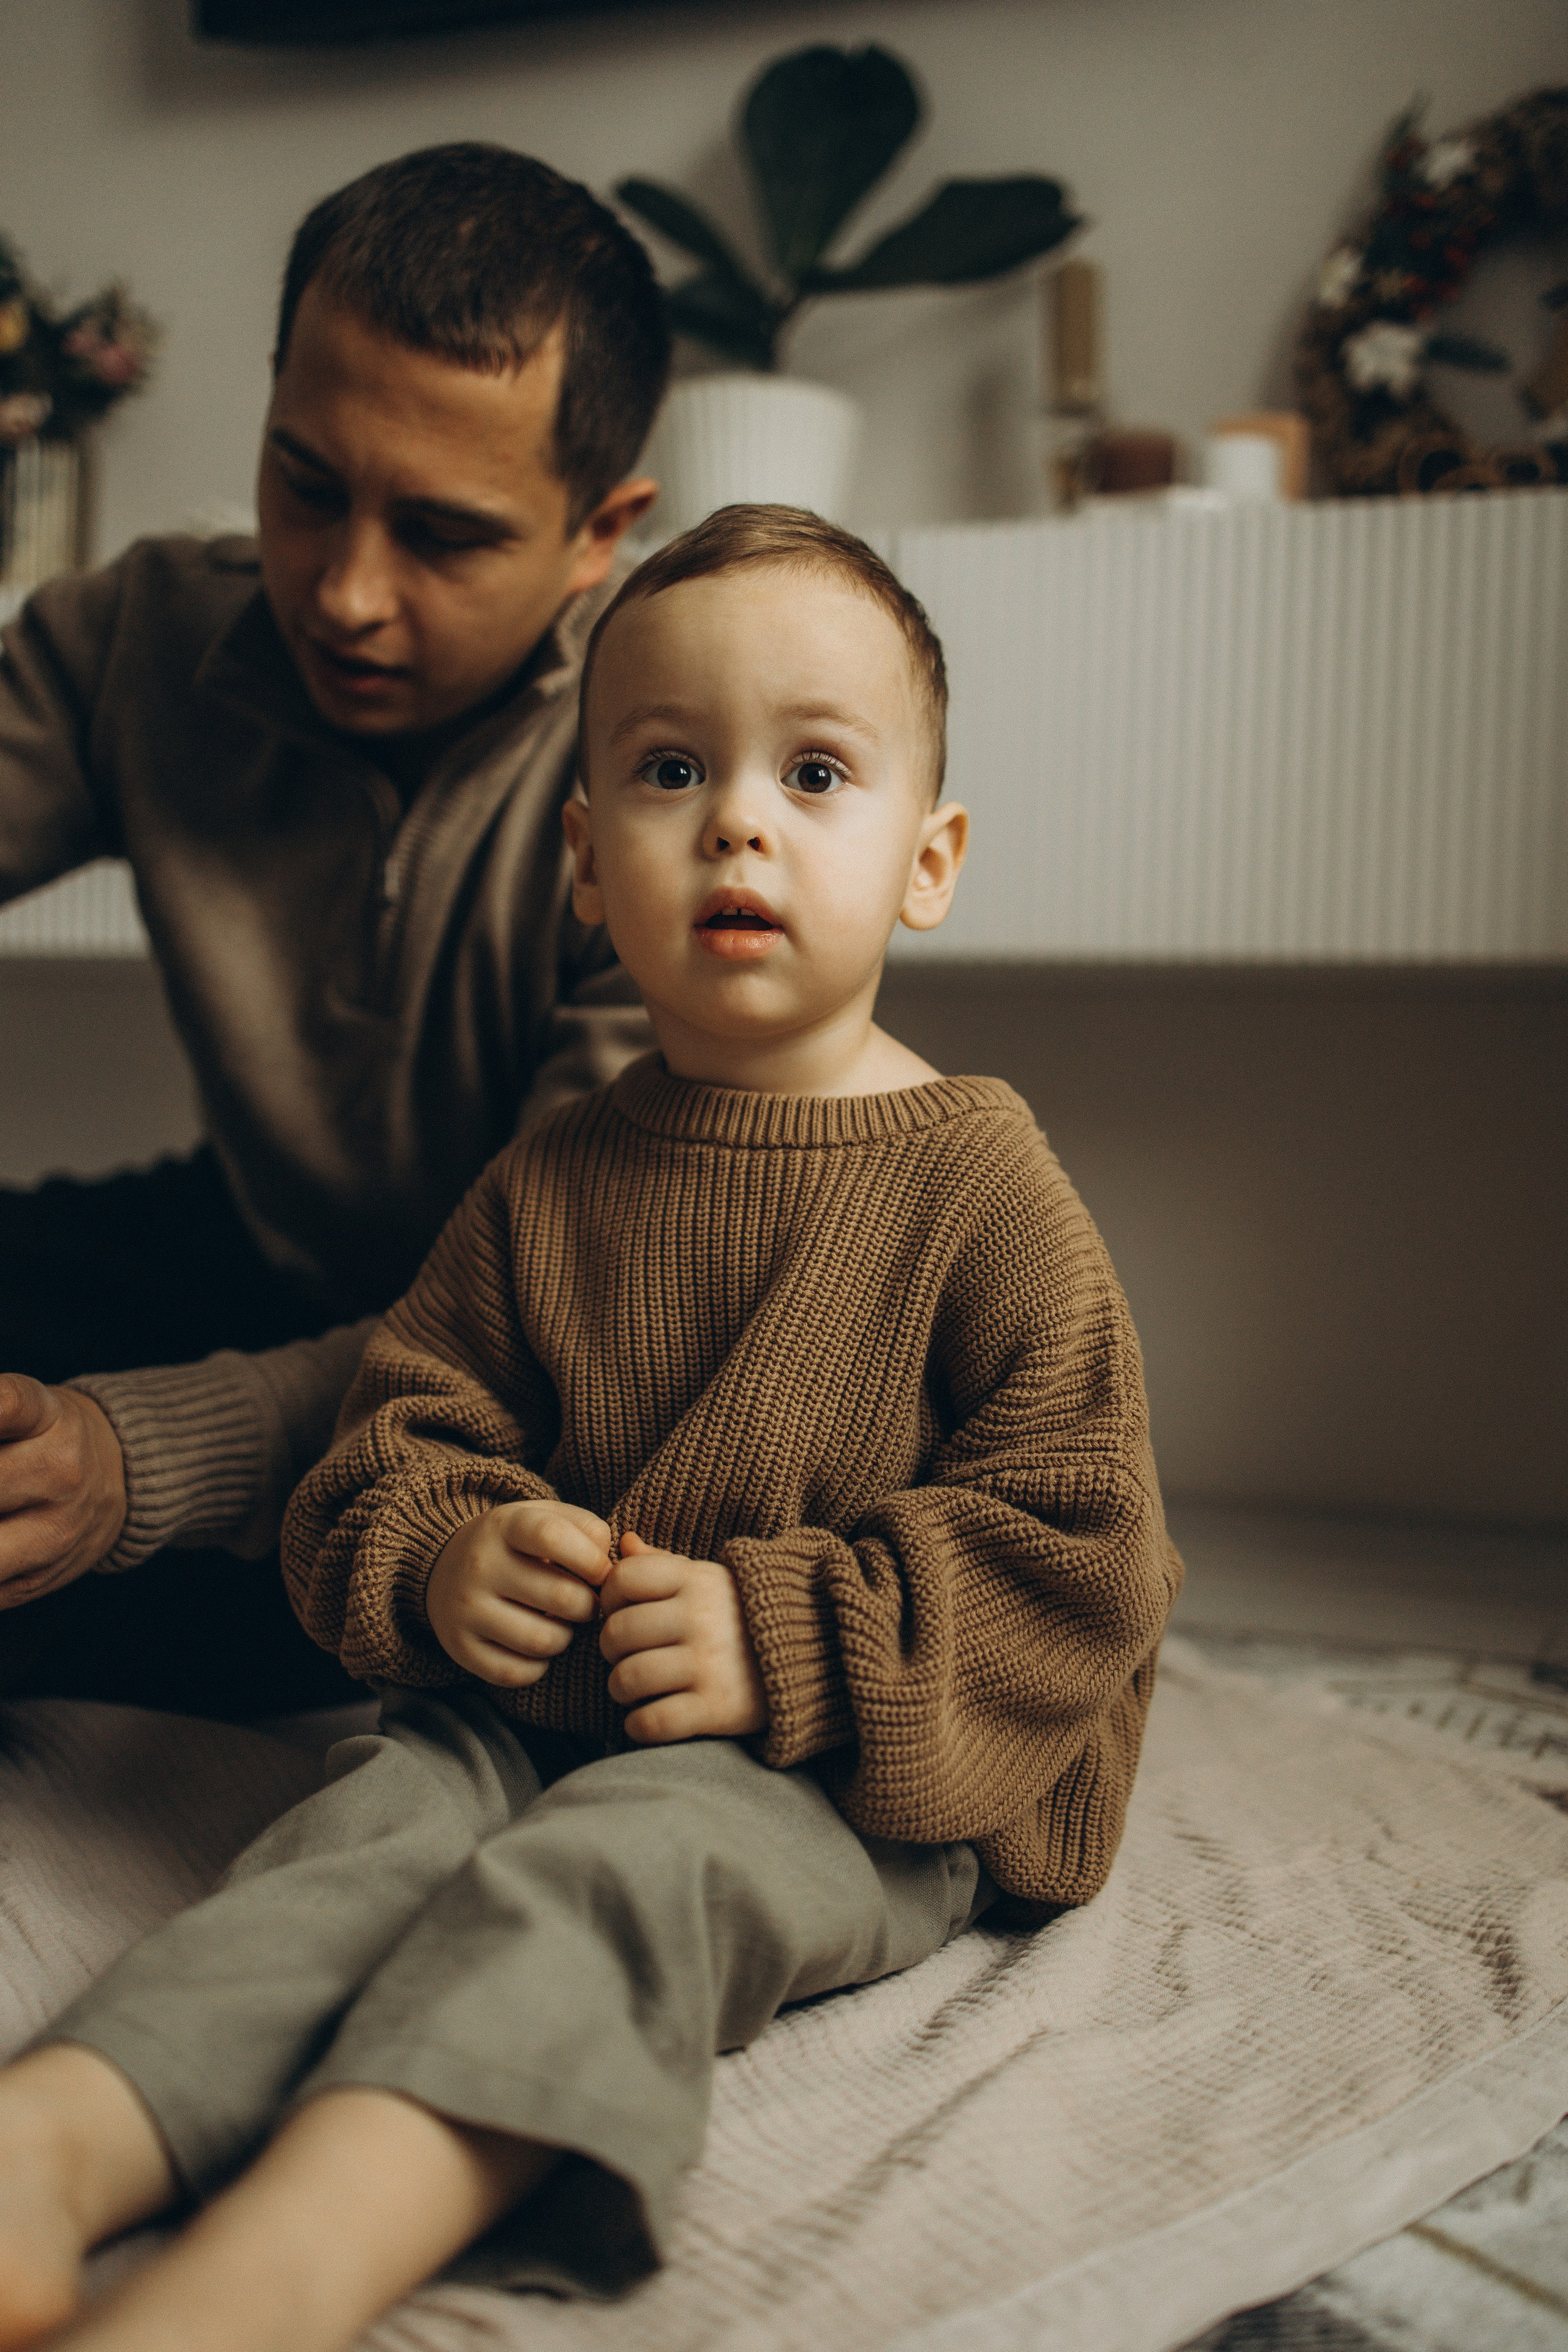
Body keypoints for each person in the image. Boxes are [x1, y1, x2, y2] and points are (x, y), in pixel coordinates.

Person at [0, 507, 1181, 2352]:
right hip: (536, 1705)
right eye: (666, 769)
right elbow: (404, 1434)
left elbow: (1086, 1547)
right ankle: (57, 2147)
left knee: (621, 1878)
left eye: (813, 771)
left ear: (927, 859)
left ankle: (296, 2260)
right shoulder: (552, 1179)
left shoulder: (980, 1181)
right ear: (582, 864)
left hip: (841, 1767)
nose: (736, 822)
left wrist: (781, 1635)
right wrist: (449, 1550)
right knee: (368, 1826)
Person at [0, 142, 666, 1717]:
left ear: (599, 532)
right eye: (305, 485)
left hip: (514, 1373)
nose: (347, 594)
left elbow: (535, 1328)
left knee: (438, 1597)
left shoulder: (674, 789)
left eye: (442, 534)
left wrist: (133, 1462)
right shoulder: (143, 635)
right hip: (245, 1243)